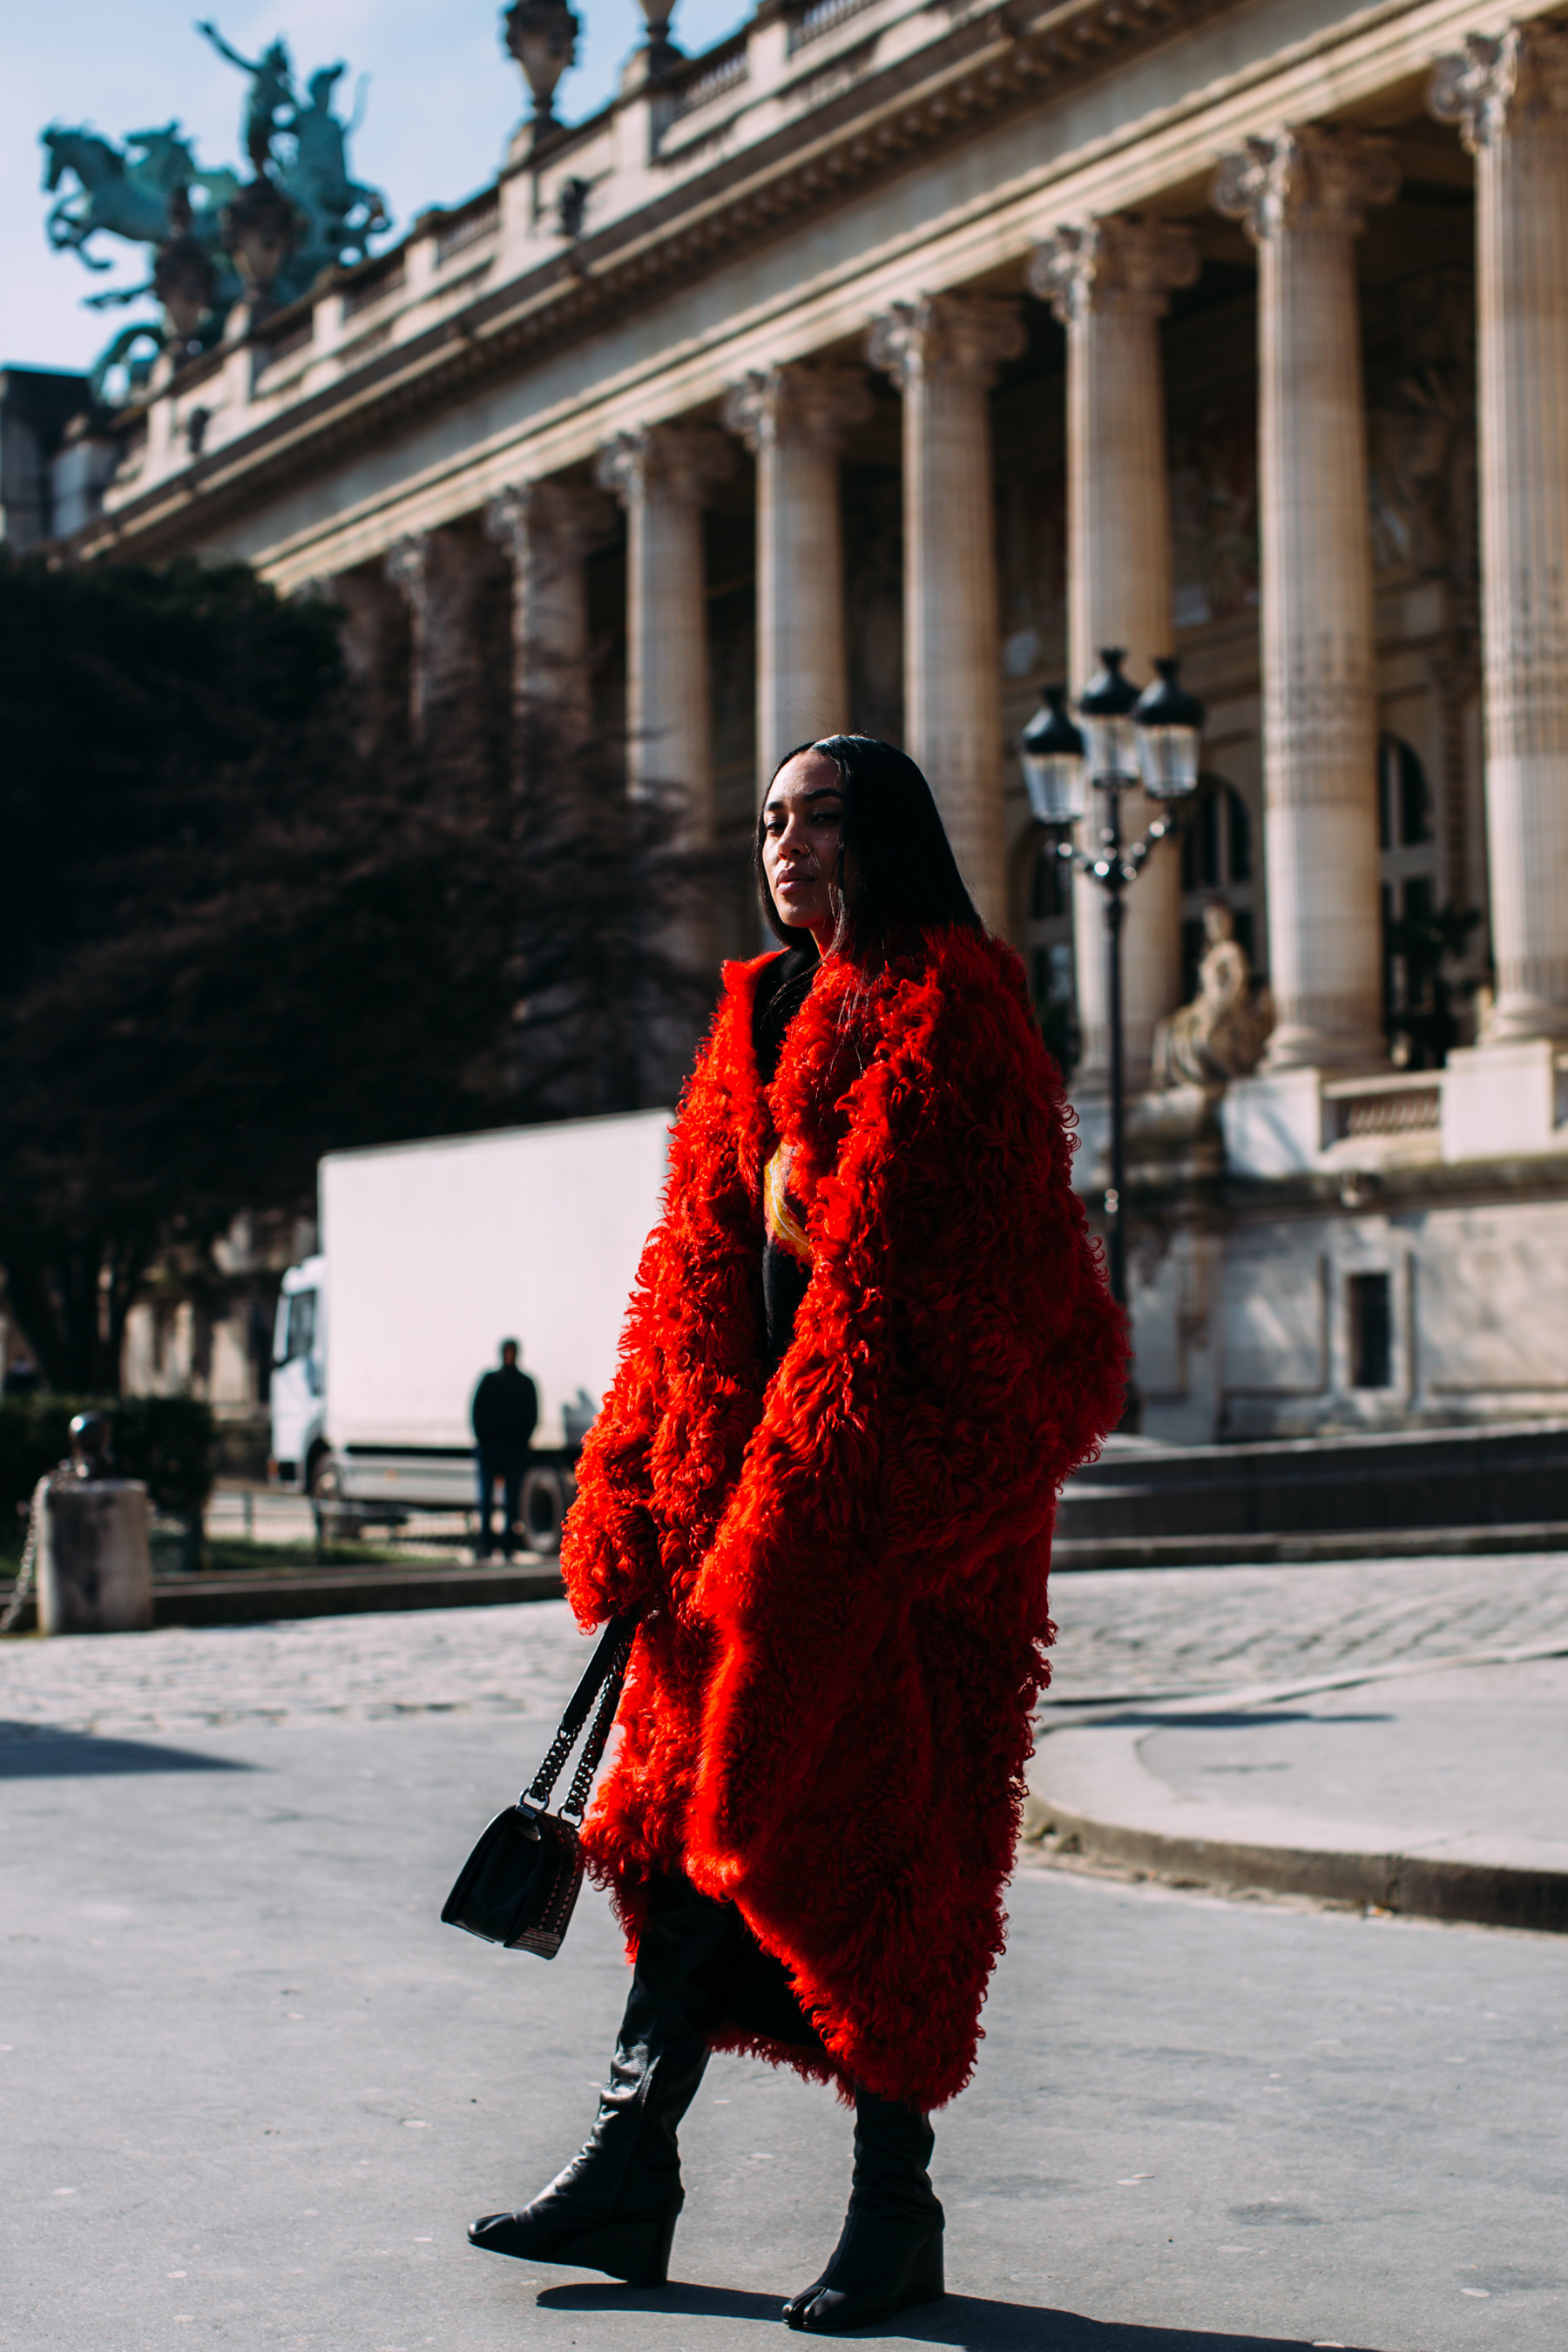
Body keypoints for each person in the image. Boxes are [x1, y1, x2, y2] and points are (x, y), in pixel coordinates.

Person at [468, 737, 1126, 2329]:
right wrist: (634, 1485)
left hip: (894, 1532)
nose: (779, 839)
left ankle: (893, 2213)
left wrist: (834, 1506)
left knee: (892, 1869)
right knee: (686, 1843)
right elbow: (684, 1290)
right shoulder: (756, 1017)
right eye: (764, 816)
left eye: (812, 814)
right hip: (737, 1517)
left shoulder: (955, 1011)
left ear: (879, 833)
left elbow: (975, 1303)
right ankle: (632, 2163)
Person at [470, 1340, 538, 1562]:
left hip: (511, 1451)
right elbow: (477, 1413)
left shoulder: (522, 1383)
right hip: (493, 1450)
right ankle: (486, 1545)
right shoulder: (491, 1381)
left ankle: (507, 1545)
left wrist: (521, 1443)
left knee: (511, 1501)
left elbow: (531, 1416)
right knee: (486, 1500)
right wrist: (484, 1441)